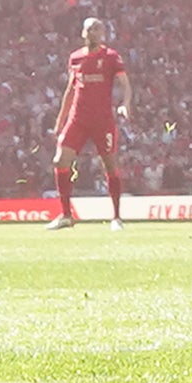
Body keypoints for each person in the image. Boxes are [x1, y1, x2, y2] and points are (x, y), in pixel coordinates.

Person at [50, 17, 131, 231]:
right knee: (60, 161)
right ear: (83, 33)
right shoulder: (75, 58)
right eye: (90, 29)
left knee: (110, 165)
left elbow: (125, 84)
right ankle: (66, 215)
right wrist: (61, 119)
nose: (95, 32)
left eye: (98, 29)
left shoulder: (111, 57)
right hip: (78, 119)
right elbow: (70, 89)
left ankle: (116, 217)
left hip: (102, 120)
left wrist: (125, 104)